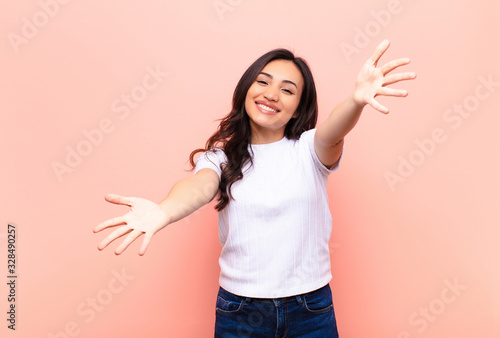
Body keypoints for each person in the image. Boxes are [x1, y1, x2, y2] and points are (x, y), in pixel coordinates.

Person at [93, 40, 416, 337]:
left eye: (288, 90)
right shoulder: (218, 158)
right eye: (263, 81)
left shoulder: (308, 150)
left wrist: (356, 101)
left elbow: (332, 131)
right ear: (246, 88)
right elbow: (198, 187)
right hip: (239, 312)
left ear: (299, 106)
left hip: (310, 309)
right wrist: (163, 210)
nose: (272, 94)